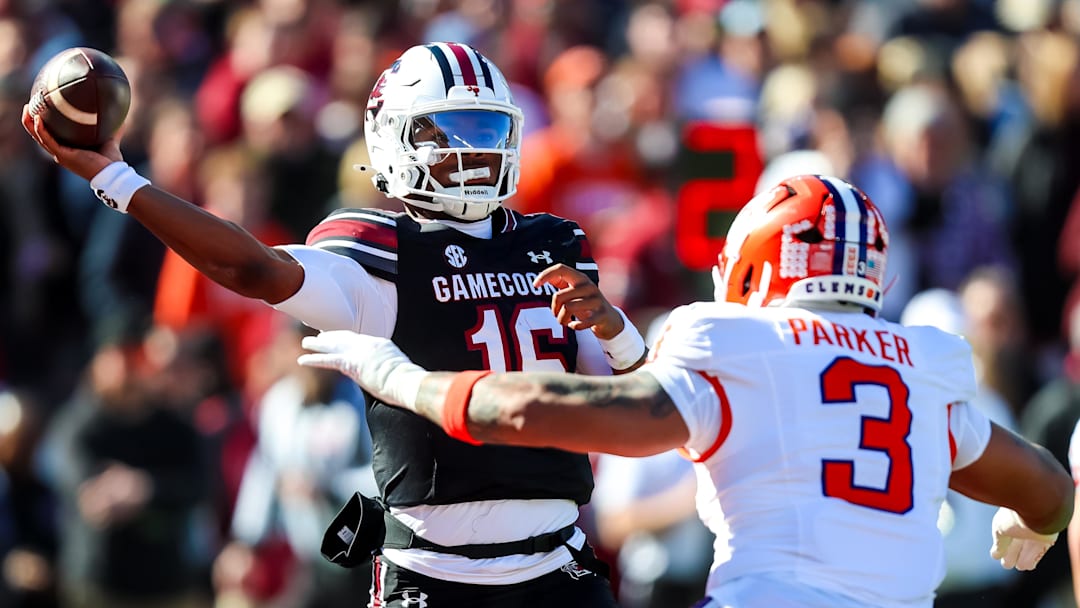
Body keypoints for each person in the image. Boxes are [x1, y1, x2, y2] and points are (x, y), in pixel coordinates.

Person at [23, 42, 644, 607]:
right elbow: (252, 269)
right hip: (434, 579)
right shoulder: (377, 253)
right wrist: (119, 181)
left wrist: (618, 332)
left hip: (557, 568)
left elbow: (647, 411)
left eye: (487, 128)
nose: (474, 149)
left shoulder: (554, 244)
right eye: (449, 130)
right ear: (391, 138)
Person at [296, 174, 1074, 608]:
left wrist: (403, 378)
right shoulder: (920, 362)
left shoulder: (734, 340)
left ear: (756, 263)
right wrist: (1033, 522)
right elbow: (1047, 486)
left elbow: (538, 410)